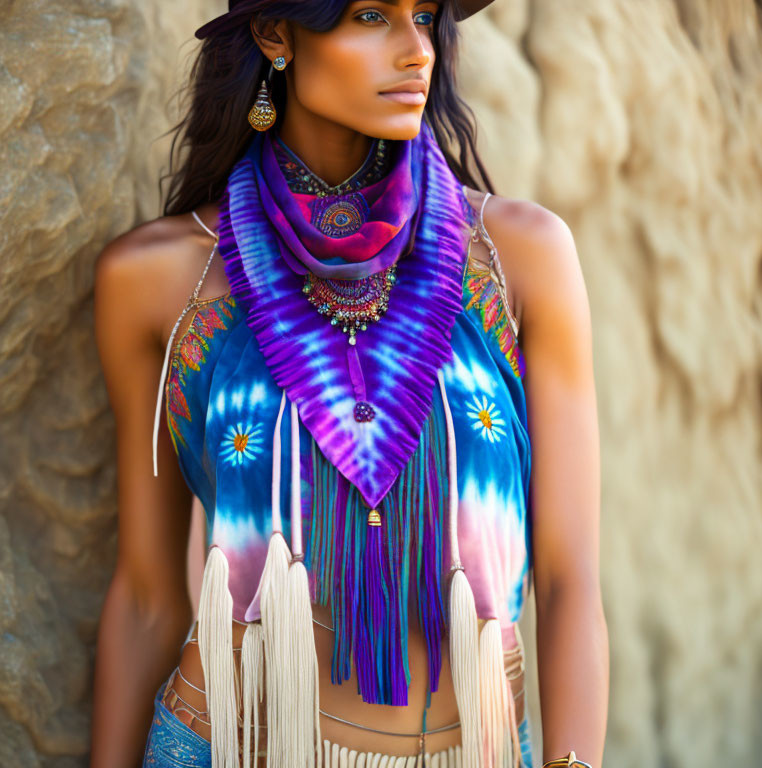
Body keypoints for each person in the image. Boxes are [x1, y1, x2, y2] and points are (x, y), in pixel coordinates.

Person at [90, 0, 609, 766]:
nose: (415, 49)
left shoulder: (520, 257)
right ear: (275, 33)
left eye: (425, 15)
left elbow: (570, 582)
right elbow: (146, 596)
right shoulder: (159, 279)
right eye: (372, 14)